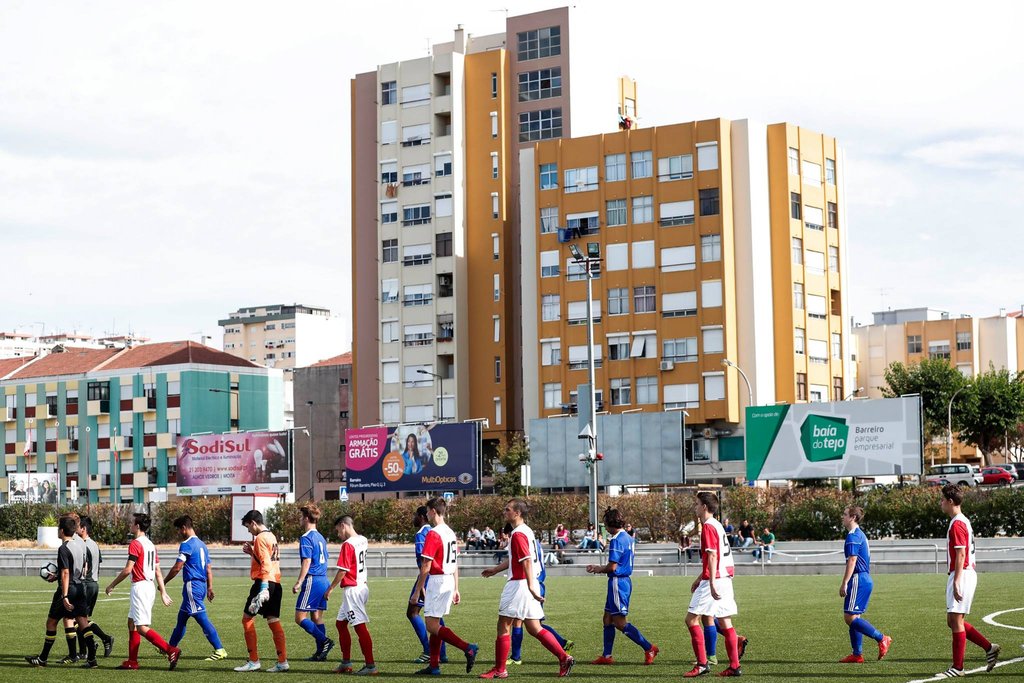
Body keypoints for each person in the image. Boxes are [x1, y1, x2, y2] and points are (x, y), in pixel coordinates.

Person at [478, 500, 574, 679]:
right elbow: (517, 558)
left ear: (517, 513)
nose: (504, 512)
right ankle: (564, 657)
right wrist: (496, 570)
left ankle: (500, 669)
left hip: (520, 585)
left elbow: (527, 561)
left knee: (503, 625)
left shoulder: (518, 534)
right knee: (534, 627)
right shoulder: (526, 531)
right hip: (529, 583)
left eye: (507, 509)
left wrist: (530, 586)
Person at [408, 497, 479, 676]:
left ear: (433, 511)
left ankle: (467, 648)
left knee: (432, 625)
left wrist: (417, 590)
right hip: (448, 580)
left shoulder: (434, 533)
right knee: (436, 622)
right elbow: (455, 563)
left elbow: (426, 565)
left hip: (437, 581)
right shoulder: (450, 532)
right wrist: (456, 587)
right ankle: (434, 665)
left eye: (428, 511)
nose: (427, 514)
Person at [936, 484, 1000, 678]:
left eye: (942, 500)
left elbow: (961, 554)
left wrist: (956, 580)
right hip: (963, 573)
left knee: (956, 621)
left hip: (962, 574)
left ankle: (958, 667)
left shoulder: (957, 523)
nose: (940, 503)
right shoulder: (962, 521)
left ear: (950, 501)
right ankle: (989, 648)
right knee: (953, 620)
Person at [104, 513, 179, 670]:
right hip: (148, 586)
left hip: (140, 587)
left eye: (132, 522)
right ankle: (132, 661)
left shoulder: (135, 544)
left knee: (141, 627)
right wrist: (163, 592)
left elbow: (128, 569)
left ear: (137, 526)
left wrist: (112, 585)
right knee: (131, 623)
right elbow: (157, 571)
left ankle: (170, 650)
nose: (130, 525)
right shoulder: (151, 545)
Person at [26, 514, 101, 669]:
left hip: (68, 589)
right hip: (80, 587)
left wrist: (65, 595)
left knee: (51, 622)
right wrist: (60, 576)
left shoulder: (63, 548)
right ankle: (92, 658)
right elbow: (84, 567)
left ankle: (42, 659)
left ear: (61, 530)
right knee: (82, 621)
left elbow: (66, 572)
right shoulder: (81, 545)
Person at [586, 509, 658, 666]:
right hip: (621, 582)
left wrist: (597, 568)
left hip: (618, 583)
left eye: (605, 525)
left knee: (619, 622)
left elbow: (612, 567)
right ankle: (607, 656)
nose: (605, 528)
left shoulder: (617, 540)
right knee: (607, 619)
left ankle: (649, 648)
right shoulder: (628, 537)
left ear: (610, 525)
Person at [683, 492, 742, 678]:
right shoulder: (718, 525)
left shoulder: (708, 526)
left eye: (697, 504)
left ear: (704, 507)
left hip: (715, 580)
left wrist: (710, 582)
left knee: (691, 620)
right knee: (725, 621)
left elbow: (713, 555)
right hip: (725, 578)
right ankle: (734, 666)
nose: (695, 507)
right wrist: (700, 577)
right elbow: (718, 556)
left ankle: (702, 664)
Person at [162, 515, 226, 661]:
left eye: (179, 530)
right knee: (181, 619)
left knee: (201, 618)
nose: (179, 533)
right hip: (201, 585)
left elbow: (177, 567)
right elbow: (208, 568)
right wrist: (209, 587)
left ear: (184, 528)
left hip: (193, 585)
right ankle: (169, 648)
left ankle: (219, 649)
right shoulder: (202, 545)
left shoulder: (187, 544)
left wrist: (164, 582)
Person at [234, 509, 289, 673]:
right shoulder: (271, 536)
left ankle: (253, 661)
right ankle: (282, 661)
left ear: (253, 523)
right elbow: (268, 561)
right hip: (276, 583)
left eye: (248, 527)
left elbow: (266, 565)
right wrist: (252, 553)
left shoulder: (260, 538)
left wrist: (263, 588)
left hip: (264, 582)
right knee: (273, 620)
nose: (249, 531)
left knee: (247, 619)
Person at [838, 506, 892, 664]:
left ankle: (882, 638)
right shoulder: (860, 534)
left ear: (853, 517)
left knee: (849, 617)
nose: (842, 517)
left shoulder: (853, 535)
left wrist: (845, 582)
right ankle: (857, 654)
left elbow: (852, 560)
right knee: (855, 617)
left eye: (845, 514)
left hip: (858, 578)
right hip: (864, 578)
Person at [326, 516, 377, 675]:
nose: (338, 534)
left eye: (338, 531)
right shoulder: (363, 539)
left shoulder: (348, 544)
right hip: (361, 586)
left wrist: (330, 588)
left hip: (353, 590)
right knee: (341, 624)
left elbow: (343, 571)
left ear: (343, 525)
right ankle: (346, 663)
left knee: (359, 626)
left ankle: (370, 666)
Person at [292, 504, 334, 662]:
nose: (300, 519)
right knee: (316, 617)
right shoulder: (321, 537)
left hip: (312, 580)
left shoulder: (306, 537)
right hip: (323, 579)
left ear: (306, 518)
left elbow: (307, 561)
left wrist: (299, 582)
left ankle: (325, 641)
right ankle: (320, 653)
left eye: (301, 516)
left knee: (300, 617)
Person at [408, 506, 449, 664]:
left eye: (415, 515)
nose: (413, 518)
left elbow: (423, 562)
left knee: (413, 612)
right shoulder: (435, 531)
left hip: (427, 577)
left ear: (421, 516)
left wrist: (421, 587)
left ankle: (429, 651)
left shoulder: (422, 533)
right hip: (440, 576)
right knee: (435, 615)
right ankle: (441, 654)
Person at [71, 515, 114, 662]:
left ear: (83, 529)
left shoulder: (83, 546)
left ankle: (104, 639)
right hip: (94, 583)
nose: (75, 530)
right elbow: (98, 565)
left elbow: (84, 567)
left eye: (77, 527)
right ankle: (85, 650)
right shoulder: (94, 544)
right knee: (82, 619)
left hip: (86, 584)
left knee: (78, 618)